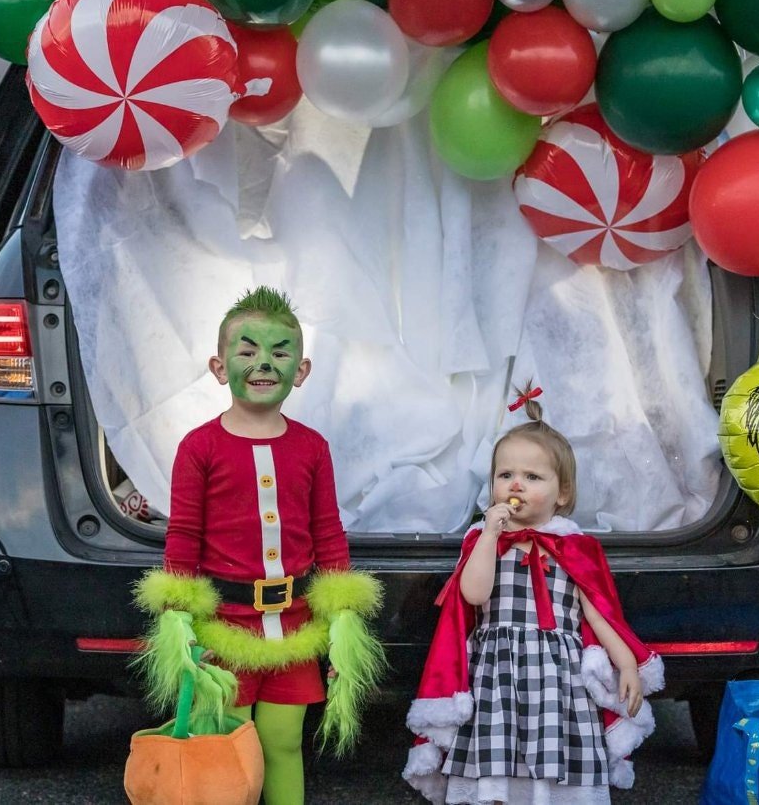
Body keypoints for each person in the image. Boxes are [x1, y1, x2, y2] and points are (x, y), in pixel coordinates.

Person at [134, 287, 383, 805]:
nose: (263, 363)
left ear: (302, 369)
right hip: (224, 625)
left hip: (294, 624)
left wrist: (341, 613)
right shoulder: (199, 447)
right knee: (231, 740)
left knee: (284, 741)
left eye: (279, 351)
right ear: (220, 367)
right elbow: (183, 534)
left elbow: (328, 531)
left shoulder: (312, 446)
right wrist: (177, 614)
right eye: (247, 351)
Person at [403, 385, 664, 803]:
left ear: (561, 493)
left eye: (532, 476)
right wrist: (490, 533)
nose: (516, 485)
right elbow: (473, 595)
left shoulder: (573, 549)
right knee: (497, 747)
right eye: (505, 475)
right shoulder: (483, 541)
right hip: (496, 674)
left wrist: (628, 665)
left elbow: (597, 614)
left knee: (554, 742)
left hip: (557, 676)